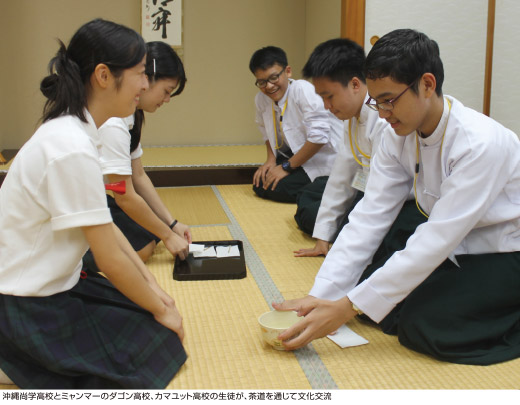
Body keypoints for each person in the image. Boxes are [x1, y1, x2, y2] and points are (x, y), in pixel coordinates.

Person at [274, 29, 520, 366]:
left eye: (390, 99)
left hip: (499, 249)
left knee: (425, 327)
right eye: (377, 102)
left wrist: (346, 307)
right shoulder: (397, 133)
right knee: (372, 300)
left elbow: (438, 237)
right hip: (448, 245)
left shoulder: (480, 143)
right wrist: (322, 296)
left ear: (427, 84)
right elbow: (370, 215)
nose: (383, 112)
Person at [0, 19, 187, 388]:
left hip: (57, 284)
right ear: (103, 75)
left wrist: (155, 292)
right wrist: (160, 306)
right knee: (155, 346)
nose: (146, 85)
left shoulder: (80, 131)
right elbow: (110, 259)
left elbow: (107, 229)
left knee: (150, 322)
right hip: (24, 300)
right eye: (139, 74)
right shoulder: (70, 146)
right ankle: (12, 361)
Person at [97, 41, 190, 263]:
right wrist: (167, 235)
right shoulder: (114, 122)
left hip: (95, 197)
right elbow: (125, 196)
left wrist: (171, 224)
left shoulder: (131, 113)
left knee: (147, 232)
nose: (167, 100)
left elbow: (138, 176)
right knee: (142, 249)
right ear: (145, 78)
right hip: (67, 206)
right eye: (166, 91)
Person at [249, 46, 343, 203]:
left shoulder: (302, 90)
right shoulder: (261, 99)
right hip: (296, 156)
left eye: (274, 78)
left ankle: (323, 189)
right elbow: (265, 132)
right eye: (262, 81)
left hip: (323, 157)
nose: (269, 86)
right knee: (260, 182)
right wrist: (270, 161)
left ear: (287, 71)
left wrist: (286, 167)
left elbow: (319, 137)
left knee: (278, 187)